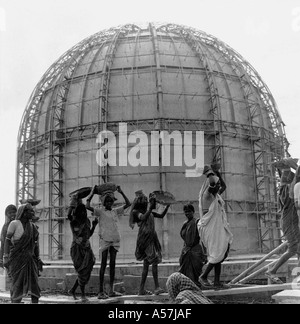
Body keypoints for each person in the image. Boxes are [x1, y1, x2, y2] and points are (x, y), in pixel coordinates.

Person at [86, 184, 131, 299]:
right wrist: (92, 193)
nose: (109, 203)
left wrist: (121, 192)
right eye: (107, 201)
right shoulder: (100, 211)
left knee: (112, 265)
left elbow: (128, 204)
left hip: (115, 240)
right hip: (105, 241)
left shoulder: (115, 211)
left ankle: (111, 290)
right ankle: (101, 291)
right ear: (103, 202)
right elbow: (87, 205)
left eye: (111, 201)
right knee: (103, 264)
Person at [198, 165, 233, 289]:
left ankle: (217, 282)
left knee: (220, 251)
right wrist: (211, 174)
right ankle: (203, 276)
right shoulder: (207, 192)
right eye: (216, 184)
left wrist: (218, 172)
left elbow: (224, 186)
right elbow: (213, 183)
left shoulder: (215, 195)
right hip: (210, 226)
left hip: (215, 226)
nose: (218, 186)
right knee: (216, 253)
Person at [129, 190, 170, 295]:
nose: (145, 203)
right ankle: (156, 287)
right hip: (145, 239)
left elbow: (160, 216)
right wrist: (150, 208)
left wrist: (167, 206)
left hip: (151, 238)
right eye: (144, 201)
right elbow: (143, 217)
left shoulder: (149, 212)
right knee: (154, 261)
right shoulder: (136, 212)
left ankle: (141, 289)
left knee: (146, 264)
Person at [265, 167, 300, 284]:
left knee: (299, 249)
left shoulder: (286, 190)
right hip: (289, 222)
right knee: (293, 248)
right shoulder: (287, 191)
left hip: (291, 221)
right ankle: (272, 270)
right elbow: (296, 179)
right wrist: (298, 167)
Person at [3, 203, 41, 303]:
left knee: (35, 286)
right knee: (17, 285)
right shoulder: (14, 223)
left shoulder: (33, 227)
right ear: (24, 213)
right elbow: (6, 241)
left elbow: (36, 244)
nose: (33, 212)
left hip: (30, 260)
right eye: (30, 210)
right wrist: (5, 257)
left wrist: (38, 258)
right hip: (17, 260)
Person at [67, 200, 98, 301]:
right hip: (77, 249)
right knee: (81, 271)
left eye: (84, 211)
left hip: (87, 249)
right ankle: (83, 294)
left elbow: (89, 234)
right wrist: (72, 203)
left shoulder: (87, 221)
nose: (83, 213)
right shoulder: (74, 221)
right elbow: (68, 215)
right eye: (81, 211)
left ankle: (73, 290)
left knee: (86, 270)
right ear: (76, 212)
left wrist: (94, 225)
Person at [179, 203, 207, 286]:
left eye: (189, 211)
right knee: (184, 272)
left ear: (193, 212)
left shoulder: (197, 222)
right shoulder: (185, 224)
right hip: (186, 250)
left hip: (195, 250)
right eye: (186, 212)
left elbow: (202, 237)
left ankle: (196, 285)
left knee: (196, 271)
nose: (187, 213)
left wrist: (205, 252)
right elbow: (184, 238)